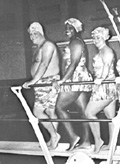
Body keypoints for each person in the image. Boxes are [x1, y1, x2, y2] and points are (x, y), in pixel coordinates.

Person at [53, 18, 93, 151]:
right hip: (77, 79)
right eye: (66, 28)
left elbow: (74, 63)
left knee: (59, 107)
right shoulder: (75, 42)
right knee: (83, 111)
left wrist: (62, 80)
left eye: (70, 28)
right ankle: (86, 141)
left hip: (75, 79)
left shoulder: (76, 42)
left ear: (76, 29)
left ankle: (72, 136)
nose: (67, 31)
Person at [23, 22, 61, 150]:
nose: (31, 36)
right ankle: (53, 138)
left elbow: (44, 64)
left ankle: (54, 136)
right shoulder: (39, 47)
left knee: (38, 112)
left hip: (47, 82)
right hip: (42, 83)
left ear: (41, 32)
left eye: (34, 33)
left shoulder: (48, 45)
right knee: (50, 111)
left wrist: (33, 81)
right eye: (30, 34)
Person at [85, 27, 117, 153]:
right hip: (108, 86)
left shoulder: (107, 51)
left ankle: (98, 141)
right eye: (94, 37)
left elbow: (107, 67)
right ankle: (111, 144)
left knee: (89, 113)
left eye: (98, 37)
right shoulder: (102, 50)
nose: (95, 40)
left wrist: (100, 80)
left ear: (105, 38)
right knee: (110, 116)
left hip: (105, 87)